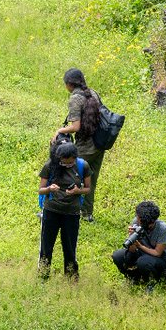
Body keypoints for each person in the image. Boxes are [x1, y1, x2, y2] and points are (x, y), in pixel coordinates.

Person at [53, 67, 104, 222]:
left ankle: (58, 210)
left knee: (65, 175)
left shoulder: (75, 98)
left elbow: (76, 127)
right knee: (90, 180)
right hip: (99, 145)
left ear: (69, 84)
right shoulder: (93, 93)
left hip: (85, 146)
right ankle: (87, 214)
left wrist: (59, 130)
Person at [38, 141, 93, 279]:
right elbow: (41, 190)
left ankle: (71, 278)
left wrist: (77, 191)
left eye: (70, 163)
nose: (67, 165)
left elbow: (88, 189)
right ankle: (43, 276)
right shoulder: (50, 165)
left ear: (75, 158)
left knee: (69, 247)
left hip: (71, 213)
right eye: (64, 162)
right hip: (51, 210)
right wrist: (50, 189)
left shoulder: (83, 166)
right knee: (46, 246)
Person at [112, 200, 166, 284]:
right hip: (142, 253)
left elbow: (158, 253)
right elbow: (132, 250)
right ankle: (133, 278)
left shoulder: (162, 228)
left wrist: (140, 246)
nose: (137, 218)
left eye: (138, 218)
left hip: (160, 258)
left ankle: (152, 282)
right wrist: (132, 237)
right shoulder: (136, 222)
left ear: (150, 222)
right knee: (118, 255)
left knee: (142, 261)